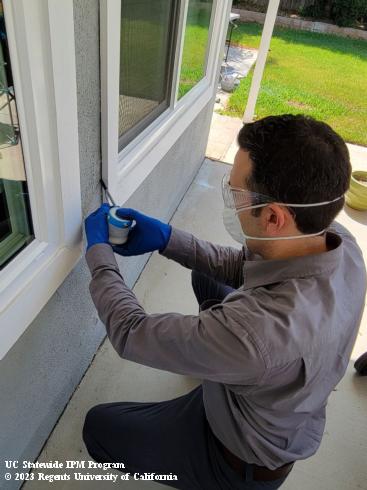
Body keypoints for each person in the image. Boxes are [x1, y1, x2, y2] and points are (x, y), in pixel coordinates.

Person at [83, 114, 366, 490]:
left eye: (235, 193)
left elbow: (132, 332)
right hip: (269, 395)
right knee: (208, 276)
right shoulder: (338, 241)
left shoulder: (255, 333)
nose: (229, 198)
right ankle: (217, 370)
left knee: (99, 428)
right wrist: (167, 239)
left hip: (236, 459)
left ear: (273, 216)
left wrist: (98, 252)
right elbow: (244, 266)